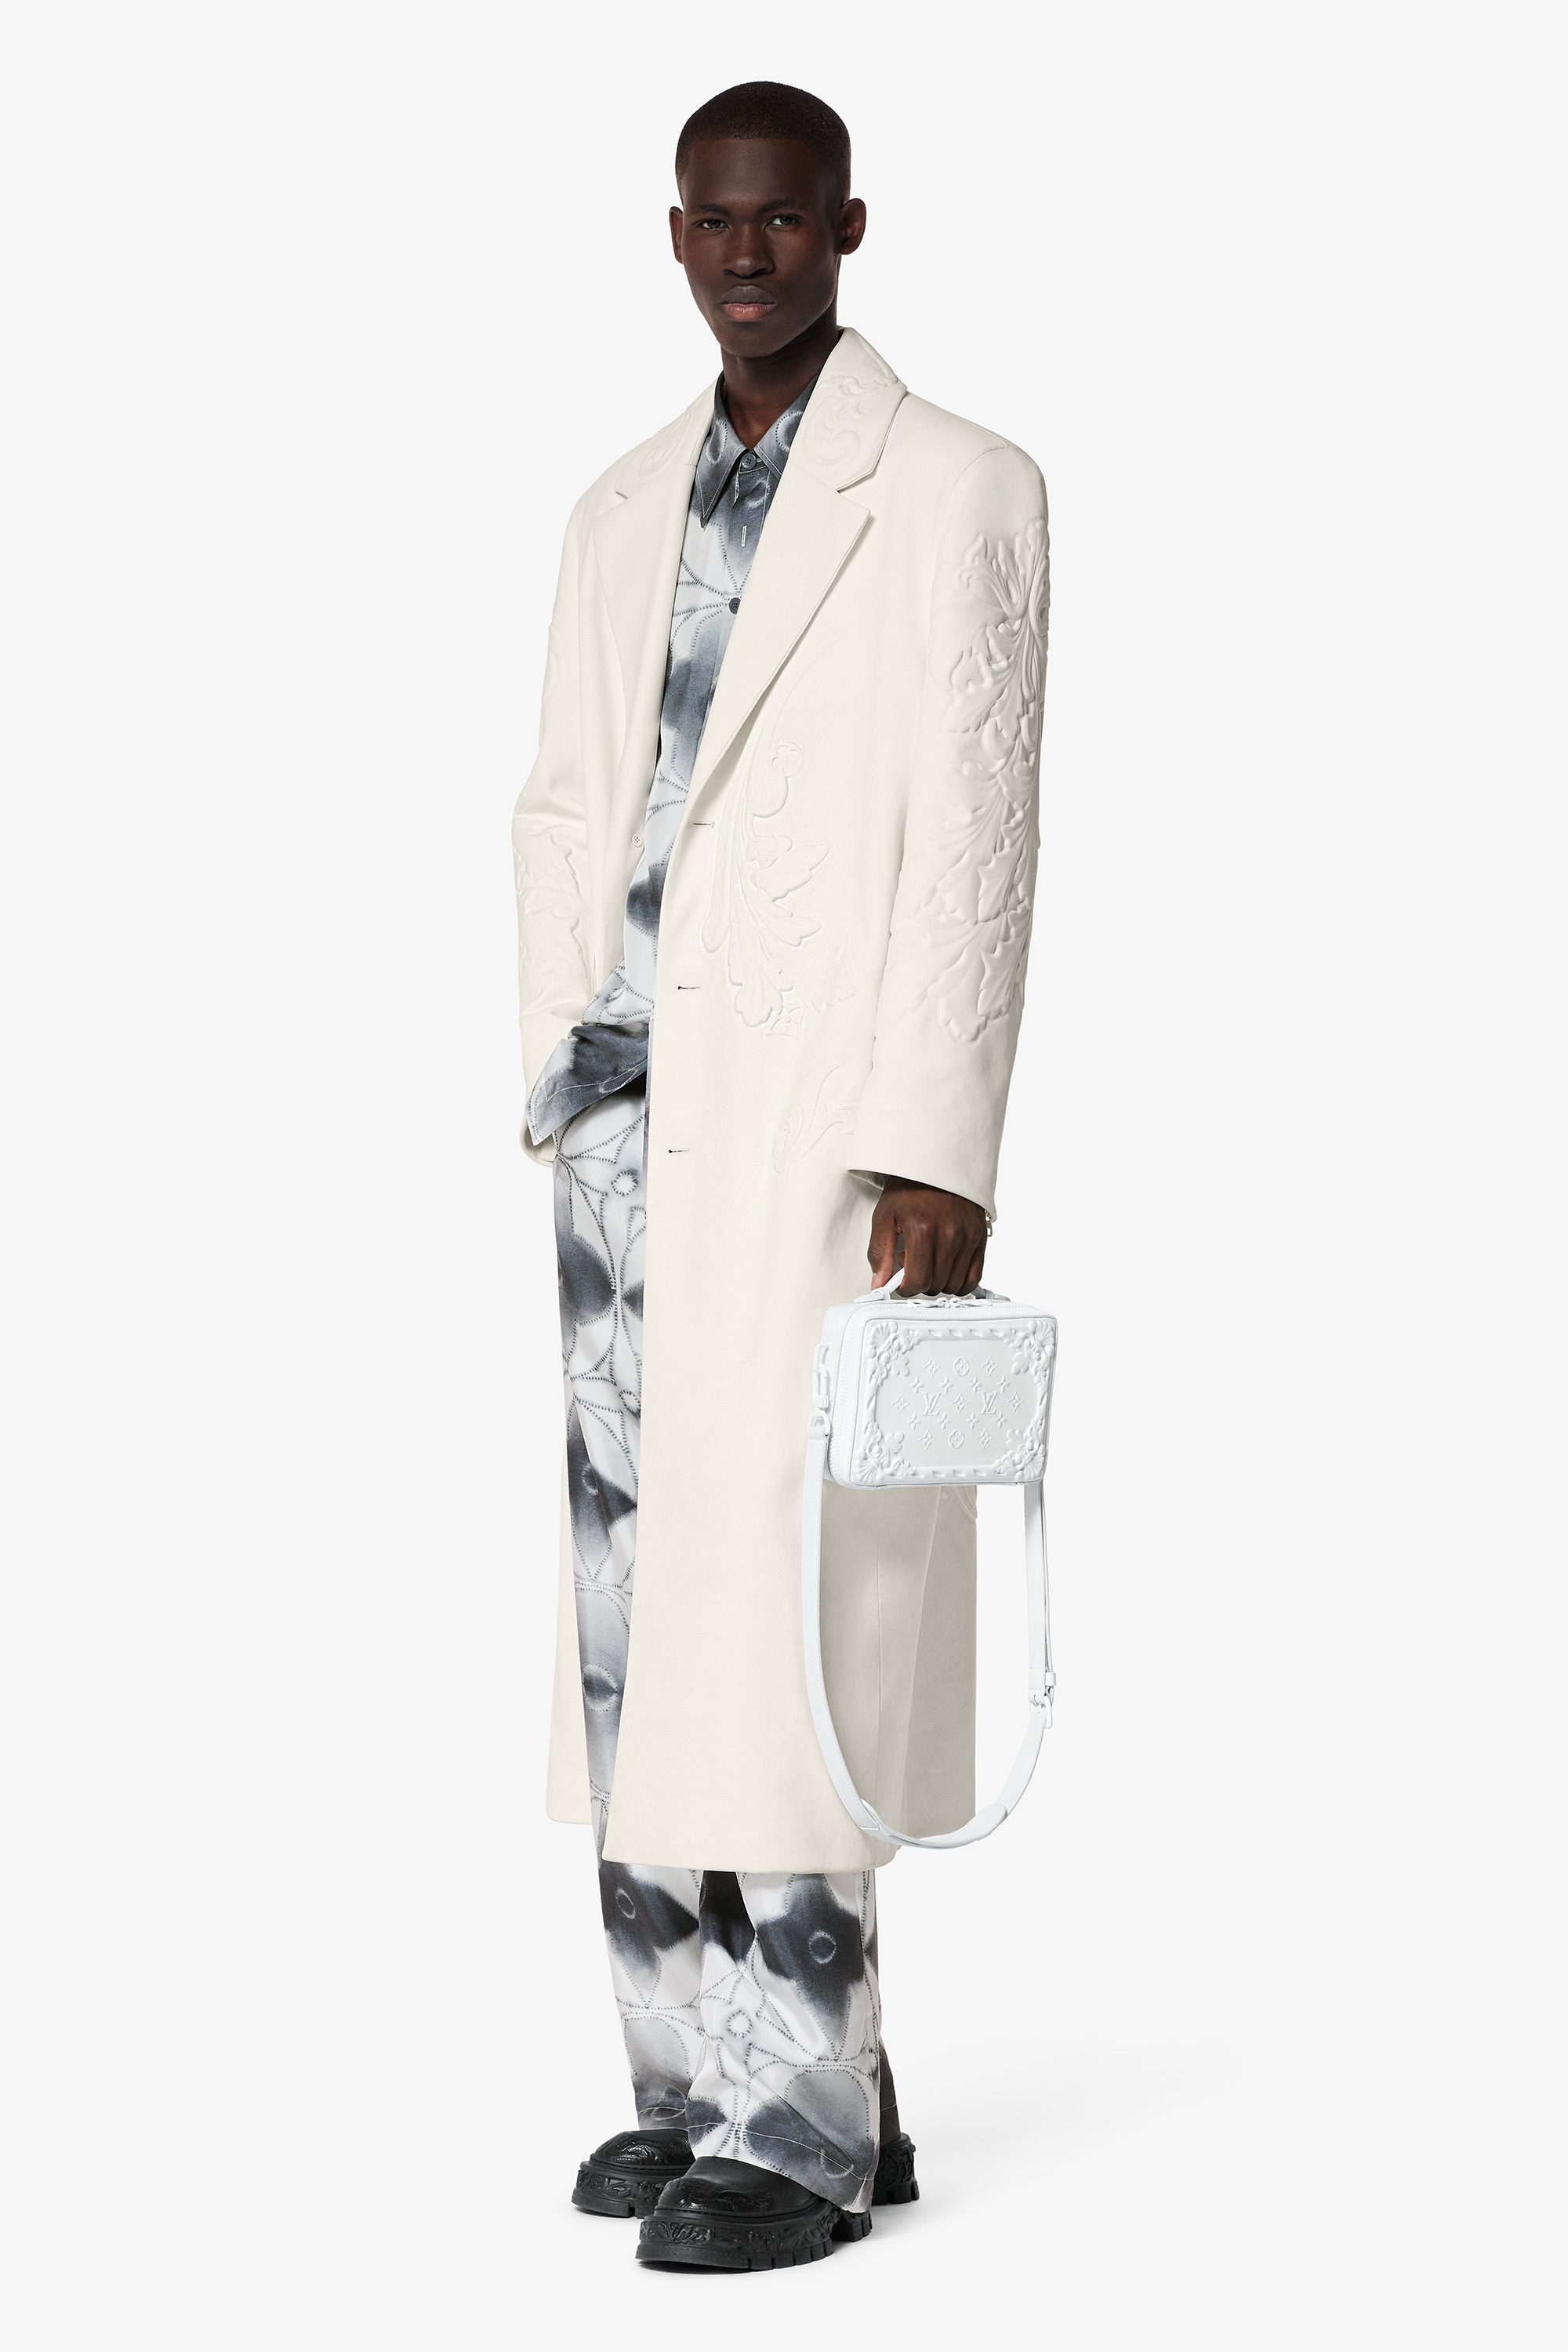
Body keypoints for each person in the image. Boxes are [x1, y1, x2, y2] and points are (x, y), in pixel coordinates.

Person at [512, 79, 1048, 2272]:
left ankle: (807, 2122)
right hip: (626, 1141)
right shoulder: (618, 503)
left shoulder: (959, 488)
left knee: (790, 1602)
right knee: (641, 1617)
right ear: (676, 234)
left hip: (824, 1135)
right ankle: (693, 2085)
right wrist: (562, 1073)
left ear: (847, 228)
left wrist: (936, 1139)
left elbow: (981, 827)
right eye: (716, 222)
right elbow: (563, 805)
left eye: (788, 221)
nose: (751, 254)